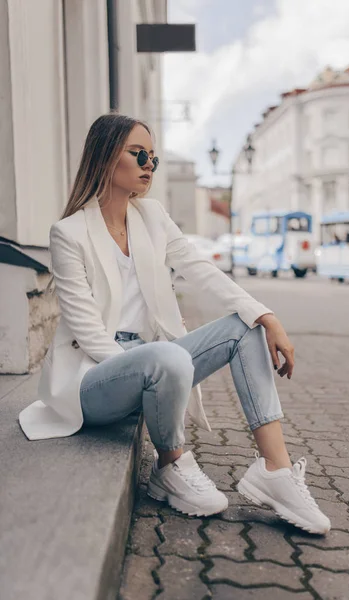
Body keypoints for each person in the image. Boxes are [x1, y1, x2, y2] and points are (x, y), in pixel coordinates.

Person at [18, 114, 330, 535]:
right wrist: (152, 370)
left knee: (245, 328)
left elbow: (201, 269)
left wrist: (265, 314)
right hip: (92, 378)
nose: (149, 164)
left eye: (154, 158)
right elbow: (87, 330)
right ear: (106, 156)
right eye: (139, 153)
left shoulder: (153, 217)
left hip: (151, 362)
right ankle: (171, 465)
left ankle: (275, 471)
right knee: (165, 356)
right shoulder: (68, 233)